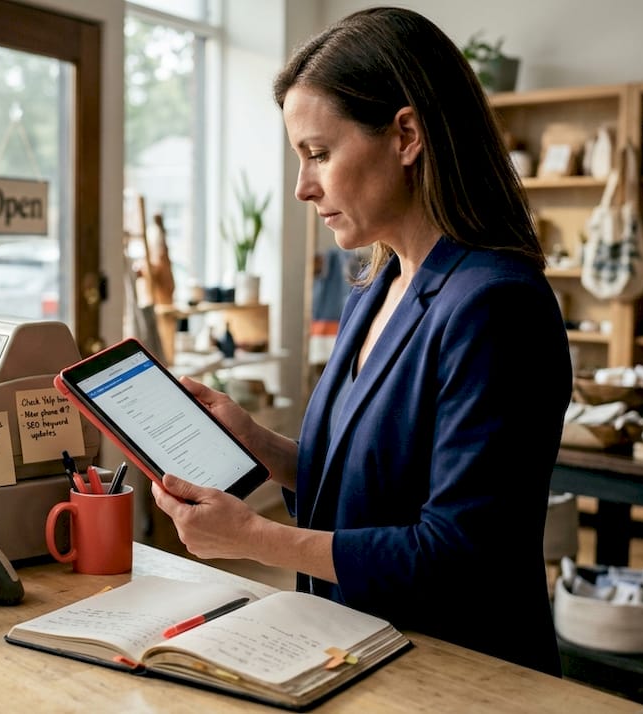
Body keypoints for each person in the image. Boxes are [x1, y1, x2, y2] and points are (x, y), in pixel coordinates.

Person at [151, 7, 571, 676]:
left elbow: (458, 553)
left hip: (460, 674)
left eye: (318, 153)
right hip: (355, 649)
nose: (302, 186)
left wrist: (255, 538)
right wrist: (260, 446)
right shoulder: (377, 286)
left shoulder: (496, 305)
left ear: (406, 135)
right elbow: (372, 483)